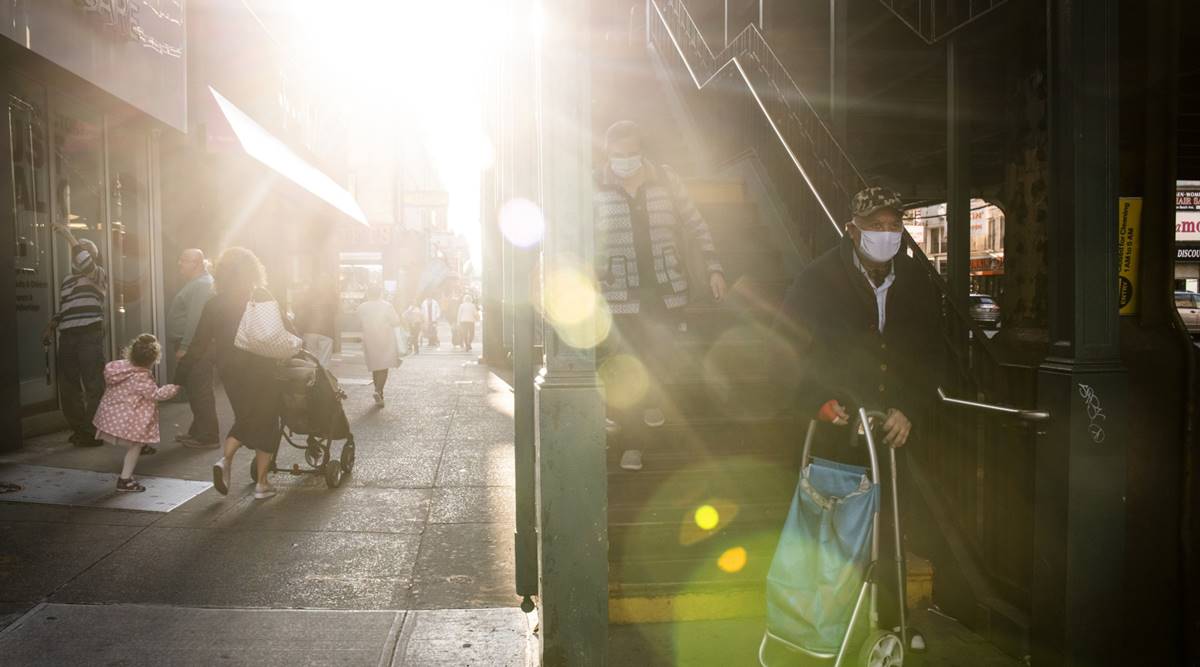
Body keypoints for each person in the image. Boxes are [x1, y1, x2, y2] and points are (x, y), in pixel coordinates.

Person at [772, 185, 943, 653]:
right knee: (830, 532)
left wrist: (910, 407)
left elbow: (930, 355)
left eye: (893, 226)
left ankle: (892, 622)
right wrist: (815, 401)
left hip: (888, 428)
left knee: (889, 530)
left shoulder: (913, 281)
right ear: (852, 229)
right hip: (836, 426)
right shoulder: (817, 278)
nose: (886, 234)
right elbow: (785, 347)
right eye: (875, 226)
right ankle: (821, 624)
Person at [594, 120, 727, 471]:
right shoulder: (594, 185)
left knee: (658, 361)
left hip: (667, 290)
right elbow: (582, 235)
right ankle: (632, 447)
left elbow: (696, 224)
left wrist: (714, 267)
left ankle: (647, 418)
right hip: (619, 294)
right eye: (618, 155)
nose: (626, 160)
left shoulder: (666, 180)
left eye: (632, 153)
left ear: (642, 151)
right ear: (608, 153)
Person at [176, 247, 294, 500]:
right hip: (262, 367)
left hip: (230, 370)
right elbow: (283, 326)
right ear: (253, 270)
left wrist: (178, 378)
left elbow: (198, 344)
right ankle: (259, 482)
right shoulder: (260, 295)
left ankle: (227, 462)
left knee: (246, 416)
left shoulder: (214, 304)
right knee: (267, 420)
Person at [42, 223, 108, 447]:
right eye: (79, 250)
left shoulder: (97, 275)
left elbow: (86, 263)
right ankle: (80, 429)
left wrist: (70, 237)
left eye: (85, 251)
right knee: (69, 387)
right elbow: (67, 307)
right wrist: (53, 322)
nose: (79, 253)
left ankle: (92, 431)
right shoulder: (67, 280)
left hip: (89, 334)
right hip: (68, 335)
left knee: (93, 385)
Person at [92, 335, 180, 492]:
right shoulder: (141, 378)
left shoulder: (119, 368)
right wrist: (174, 388)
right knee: (135, 445)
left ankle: (142, 447)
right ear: (154, 359)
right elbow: (156, 394)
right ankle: (125, 480)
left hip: (109, 418)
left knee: (138, 442)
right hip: (123, 422)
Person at [165, 248, 219, 448]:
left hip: (195, 347)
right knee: (197, 390)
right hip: (195, 346)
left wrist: (185, 346)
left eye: (184, 260)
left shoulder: (201, 285)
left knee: (200, 390)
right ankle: (198, 432)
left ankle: (208, 437)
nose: (179, 263)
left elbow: (196, 318)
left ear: (197, 263)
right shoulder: (198, 284)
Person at [357, 285, 403, 407]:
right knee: (384, 366)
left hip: (369, 338)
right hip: (385, 338)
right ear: (380, 293)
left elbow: (359, 323)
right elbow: (396, 321)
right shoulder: (386, 306)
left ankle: (379, 392)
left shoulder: (362, 307)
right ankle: (378, 390)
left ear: (368, 293)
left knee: (375, 366)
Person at [297, 268, 339, 366]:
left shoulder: (308, 294)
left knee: (310, 362)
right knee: (324, 364)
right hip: (327, 333)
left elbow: (301, 311)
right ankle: (321, 379)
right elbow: (336, 312)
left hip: (309, 332)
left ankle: (312, 380)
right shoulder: (333, 295)